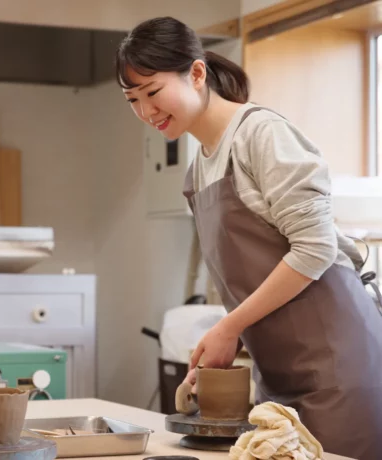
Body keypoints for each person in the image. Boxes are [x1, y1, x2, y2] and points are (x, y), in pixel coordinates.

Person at [116, 16, 382, 460]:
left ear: (197, 74)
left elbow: (315, 247)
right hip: (279, 380)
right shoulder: (197, 171)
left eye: (153, 92)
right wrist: (222, 347)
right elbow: (248, 278)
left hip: (342, 371)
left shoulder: (261, 135)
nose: (146, 111)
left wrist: (230, 325)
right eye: (132, 99)